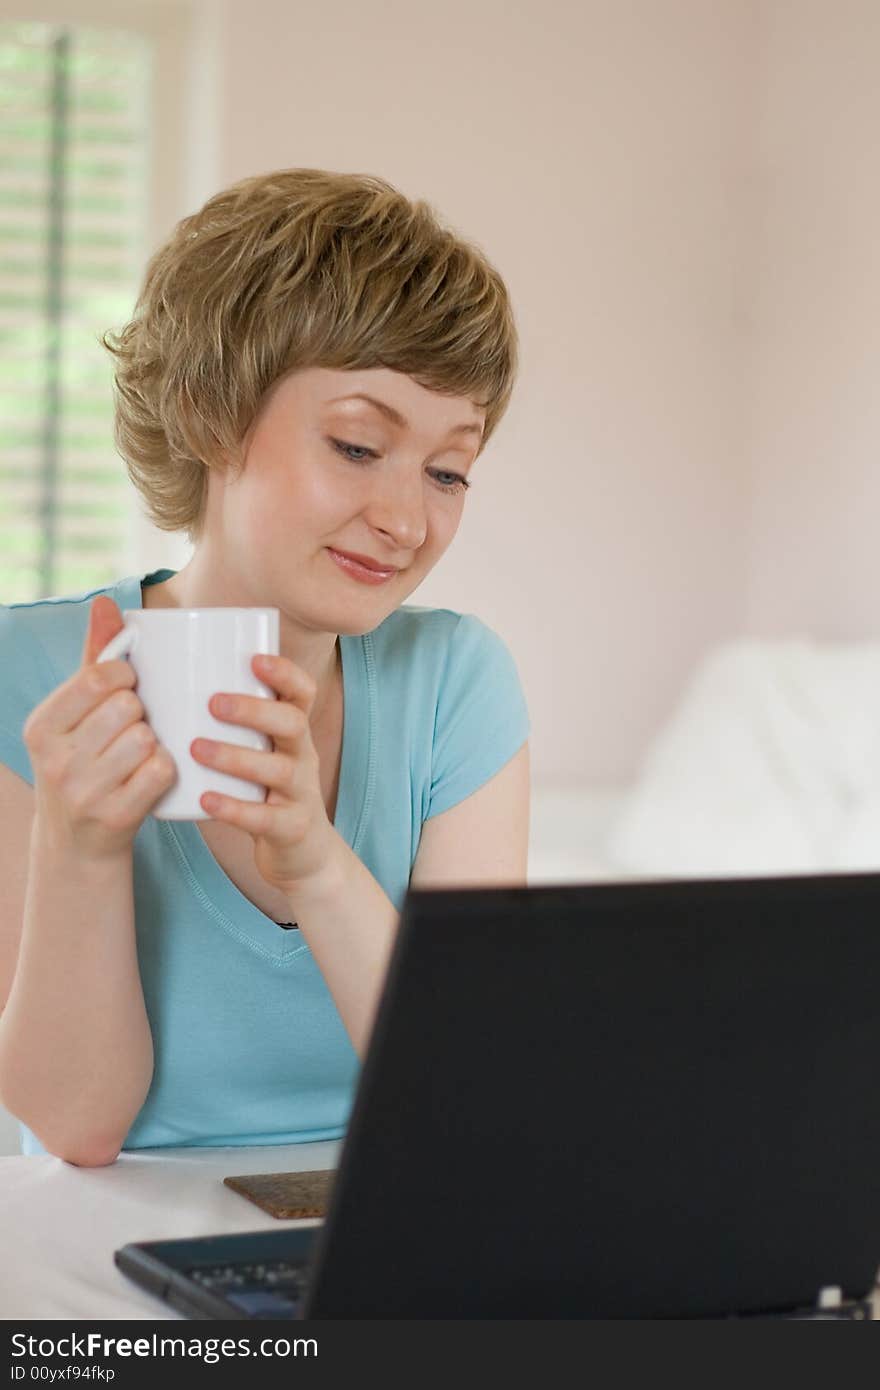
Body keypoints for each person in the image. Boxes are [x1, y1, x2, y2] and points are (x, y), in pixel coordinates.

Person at [0, 168, 531, 1166]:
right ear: (212, 418)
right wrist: (80, 846)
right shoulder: (27, 677)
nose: (408, 521)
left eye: (448, 469)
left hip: (384, 1221)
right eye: (358, 445)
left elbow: (468, 1094)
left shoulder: (455, 683)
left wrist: (317, 861)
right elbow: (75, 1126)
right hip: (118, 1233)